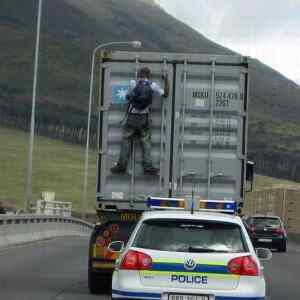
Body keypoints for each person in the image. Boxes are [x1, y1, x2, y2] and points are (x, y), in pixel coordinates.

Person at [111, 67, 169, 175]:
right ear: (149, 75)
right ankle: (148, 167)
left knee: (126, 142)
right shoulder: (152, 85)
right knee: (146, 143)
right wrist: (166, 80)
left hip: (132, 118)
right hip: (144, 119)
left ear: (139, 75)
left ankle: (121, 167)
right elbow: (166, 94)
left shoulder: (133, 83)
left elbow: (129, 97)